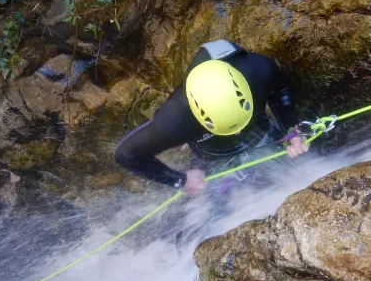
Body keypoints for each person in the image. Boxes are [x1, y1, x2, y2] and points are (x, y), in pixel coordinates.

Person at [113, 39, 309, 195]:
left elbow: (280, 89)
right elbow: (127, 154)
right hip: (214, 158)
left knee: (303, 172)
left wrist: (292, 130)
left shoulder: (259, 69)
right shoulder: (176, 118)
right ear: (200, 116)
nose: (237, 131)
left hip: (261, 134)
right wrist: (180, 180)